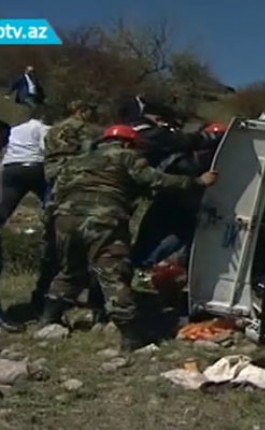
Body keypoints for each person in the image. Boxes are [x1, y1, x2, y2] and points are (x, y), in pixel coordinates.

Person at [38, 124, 218, 352]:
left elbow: (55, 194)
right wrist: (197, 182)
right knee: (114, 274)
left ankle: (48, 319)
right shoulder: (126, 155)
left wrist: (50, 225)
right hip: (103, 219)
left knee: (70, 270)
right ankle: (131, 335)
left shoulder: (76, 161)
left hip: (65, 220)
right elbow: (154, 179)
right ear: (127, 143)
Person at [32, 100, 103, 315]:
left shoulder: (52, 130)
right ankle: (94, 299)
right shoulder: (86, 129)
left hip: (53, 180)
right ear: (82, 110)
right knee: (91, 239)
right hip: (77, 181)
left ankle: (42, 294)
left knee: (53, 240)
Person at [131, 121, 227, 268]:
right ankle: (141, 264)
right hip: (170, 203)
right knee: (153, 240)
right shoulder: (182, 156)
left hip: (181, 206)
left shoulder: (192, 158)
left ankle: (143, 265)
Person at [0, 106, 51, 227]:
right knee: (50, 201)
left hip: (11, 168)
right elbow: (46, 147)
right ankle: (52, 230)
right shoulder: (42, 128)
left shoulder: (15, 129)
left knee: (5, 205)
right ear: (43, 117)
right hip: (34, 167)